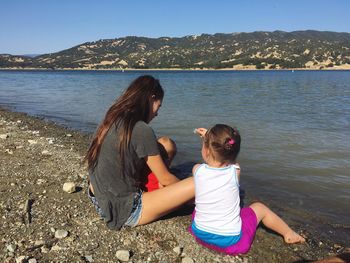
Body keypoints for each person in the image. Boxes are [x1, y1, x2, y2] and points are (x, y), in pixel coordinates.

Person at [85, 75, 194, 230]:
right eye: (159, 106)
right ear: (151, 98)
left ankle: (155, 189)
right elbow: (167, 179)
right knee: (196, 183)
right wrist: (190, 196)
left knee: (166, 144)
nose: (157, 113)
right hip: (125, 209)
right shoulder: (141, 129)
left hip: (99, 197)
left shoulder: (111, 119)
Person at [189, 124, 305, 255]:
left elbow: (213, 158)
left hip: (200, 232)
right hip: (230, 241)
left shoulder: (197, 169)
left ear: (206, 150)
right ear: (233, 152)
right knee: (259, 207)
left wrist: (206, 138)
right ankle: (288, 233)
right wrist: (210, 140)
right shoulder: (235, 170)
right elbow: (229, 159)